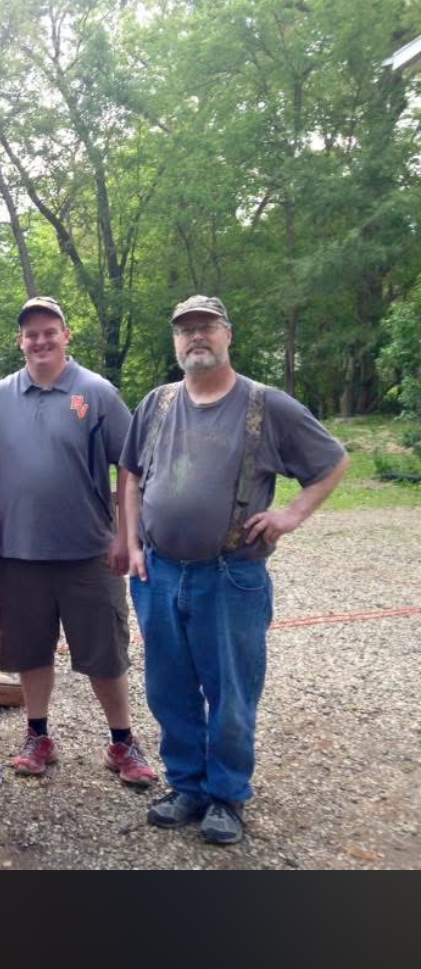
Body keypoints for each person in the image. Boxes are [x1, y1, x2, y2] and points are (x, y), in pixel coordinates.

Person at [120, 295, 348, 846]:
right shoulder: (156, 403)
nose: (195, 337)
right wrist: (130, 545)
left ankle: (227, 795)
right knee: (168, 688)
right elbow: (130, 476)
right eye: (185, 330)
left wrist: (291, 514)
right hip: (158, 574)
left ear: (228, 336)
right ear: (175, 341)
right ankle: (187, 786)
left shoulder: (267, 406)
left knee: (231, 692)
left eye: (206, 327)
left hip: (230, 574)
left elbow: (332, 460)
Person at [0, 296, 157, 787]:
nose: (40, 340)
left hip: (89, 551)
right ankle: (38, 735)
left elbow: (132, 464)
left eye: (50, 331)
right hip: (18, 552)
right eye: (31, 333)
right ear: (20, 341)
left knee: (105, 652)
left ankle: (122, 741)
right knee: (30, 651)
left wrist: (124, 534)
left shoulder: (95, 392)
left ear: (66, 335)